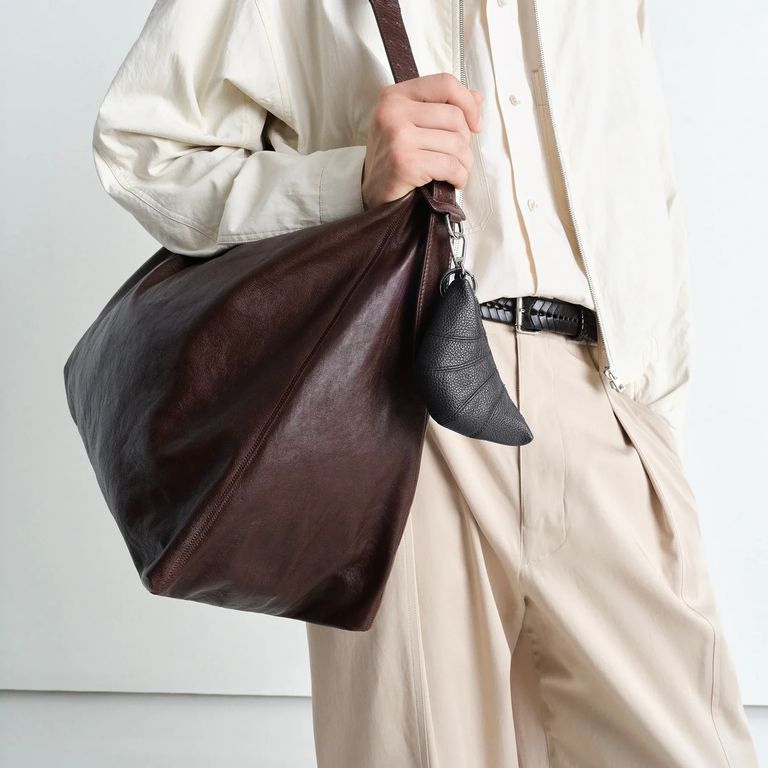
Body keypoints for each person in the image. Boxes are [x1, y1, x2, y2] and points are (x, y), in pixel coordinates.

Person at [91, 1, 759, 765]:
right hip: (396, 407)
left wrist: (654, 418)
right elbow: (143, 147)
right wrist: (349, 179)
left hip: (600, 393)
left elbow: (639, 171)